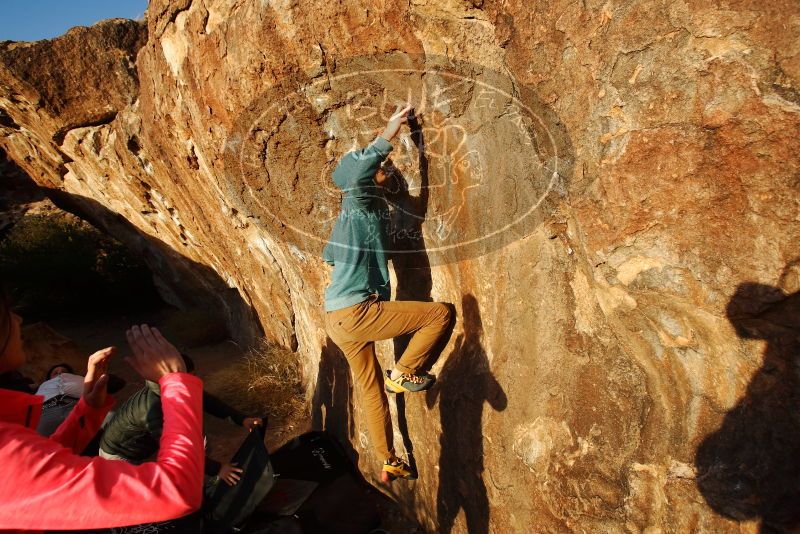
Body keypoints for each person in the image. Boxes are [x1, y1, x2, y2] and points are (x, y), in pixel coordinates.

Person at [322, 103, 453, 481]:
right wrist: (390, 131)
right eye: (380, 168)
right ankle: (407, 371)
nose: (385, 171)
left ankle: (387, 459)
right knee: (438, 314)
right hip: (357, 313)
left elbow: (329, 255)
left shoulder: (351, 216)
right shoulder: (358, 200)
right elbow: (362, 173)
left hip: (337, 319)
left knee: (370, 390)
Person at [0, 293, 205, 532]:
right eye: (5, 313)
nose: (18, 319)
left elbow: (38, 469)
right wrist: (177, 381)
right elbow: (176, 490)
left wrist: (88, 408)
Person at [99, 353, 264, 486]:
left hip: (138, 443)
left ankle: (200, 479)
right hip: (119, 456)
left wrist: (242, 419)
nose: (194, 381)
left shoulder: (170, 387)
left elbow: (207, 401)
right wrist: (218, 469)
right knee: (150, 497)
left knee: (197, 440)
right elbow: (179, 452)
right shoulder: (154, 409)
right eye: (189, 377)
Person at [35, 363, 125, 437]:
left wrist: (102, 378)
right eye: (55, 372)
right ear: (49, 378)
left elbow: (118, 383)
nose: (60, 372)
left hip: (80, 407)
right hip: (45, 412)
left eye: (64, 371)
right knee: (44, 450)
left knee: (113, 428)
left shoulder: (85, 380)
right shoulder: (40, 387)